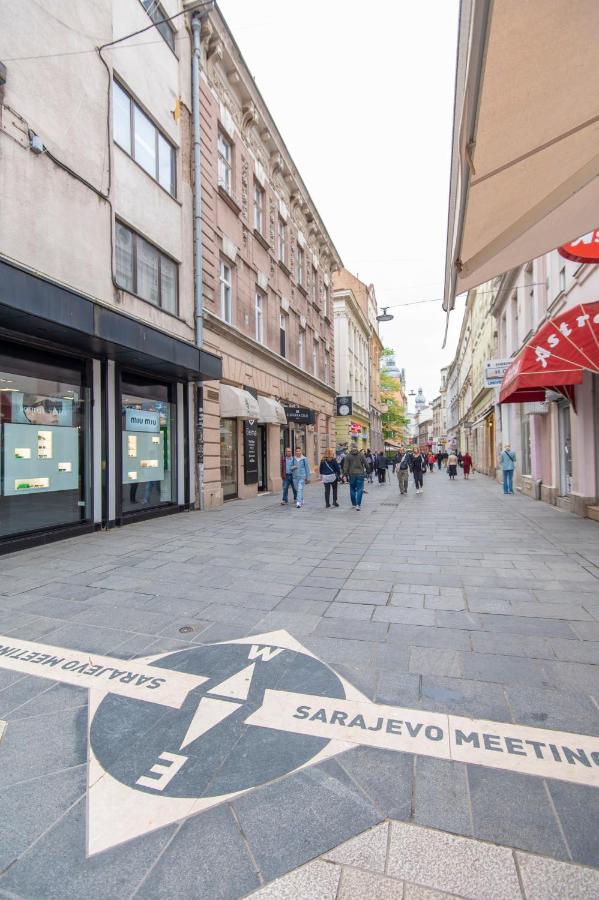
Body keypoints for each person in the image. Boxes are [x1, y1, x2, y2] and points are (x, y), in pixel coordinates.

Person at [343, 443, 366, 510]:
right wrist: (368, 470)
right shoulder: (361, 455)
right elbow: (366, 463)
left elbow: (345, 466)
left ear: (351, 447)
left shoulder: (348, 456)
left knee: (352, 489)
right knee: (360, 489)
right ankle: (358, 505)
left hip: (352, 474)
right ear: (357, 447)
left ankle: (353, 504)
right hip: (360, 474)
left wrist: (345, 474)